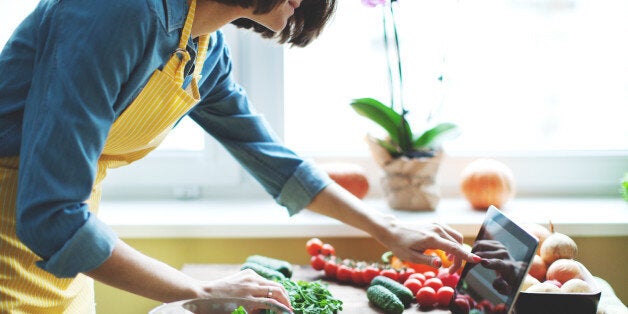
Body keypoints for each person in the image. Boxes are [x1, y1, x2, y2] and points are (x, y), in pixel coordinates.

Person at [0, 0, 481, 312]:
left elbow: (272, 160)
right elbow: (50, 214)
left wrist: (386, 227)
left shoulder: (203, 49)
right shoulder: (117, 12)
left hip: (62, 269)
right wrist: (199, 292)